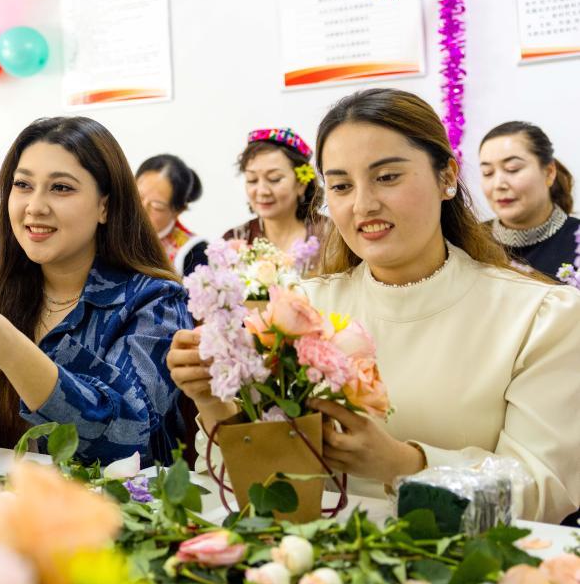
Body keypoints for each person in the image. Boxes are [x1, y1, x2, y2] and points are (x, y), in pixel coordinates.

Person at [168, 88, 580, 523]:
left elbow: (544, 488)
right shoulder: (299, 312)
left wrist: (403, 465)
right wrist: (212, 401)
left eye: (387, 177)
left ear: (447, 177)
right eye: (341, 186)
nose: (363, 205)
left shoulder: (539, 316)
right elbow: (259, 489)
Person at [0, 116, 191, 465]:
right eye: (23, 185)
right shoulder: (0, 294)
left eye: (61, 188)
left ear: (105, 206)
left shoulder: (156, 302)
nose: (35, 206)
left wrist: (11, 351)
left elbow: (125, 437)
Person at [479, 121, 578, 278]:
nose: (498, 184)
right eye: (487, 172)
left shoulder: (576, 239)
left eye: (512, 169)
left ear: (549, 172)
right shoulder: (468, 241)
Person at [226, 127, 324, 272]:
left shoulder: (331, 236)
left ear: (301, 184)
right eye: (252, 180)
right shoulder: (234, 241)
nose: (262, 191)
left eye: (274, 179)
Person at [135, 154, 206, 275]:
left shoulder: (192, 253)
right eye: (138, 197)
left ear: (178, 210)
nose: (141, 209)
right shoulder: (107, 228)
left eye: (157, 206)